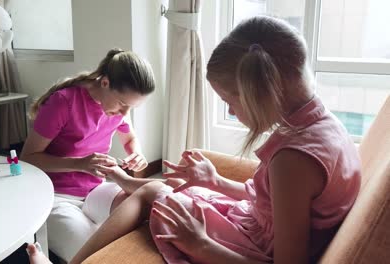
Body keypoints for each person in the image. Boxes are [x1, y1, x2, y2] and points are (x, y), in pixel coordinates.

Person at [29, 16, 361, 264]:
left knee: (154, 191)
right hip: (253, 224)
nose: (230, 112)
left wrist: (201, 244)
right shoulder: (324, 127)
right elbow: (272, 202)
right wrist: (216, 181)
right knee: (160, 190)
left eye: (231, 100)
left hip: (253, 246)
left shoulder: (293, 159)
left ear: (260, 88)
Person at [21, 48, 163, 262]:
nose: (125, 114)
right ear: (105, 83)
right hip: (56, 195)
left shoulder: (117, 108)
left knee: (145, 214)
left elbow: (130, 138)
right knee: (94, 255)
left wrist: (136, 153)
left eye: (131, 108)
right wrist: (80, 163)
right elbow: (29, 158)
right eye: (123, 104)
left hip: (95, 188)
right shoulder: (63, 102)